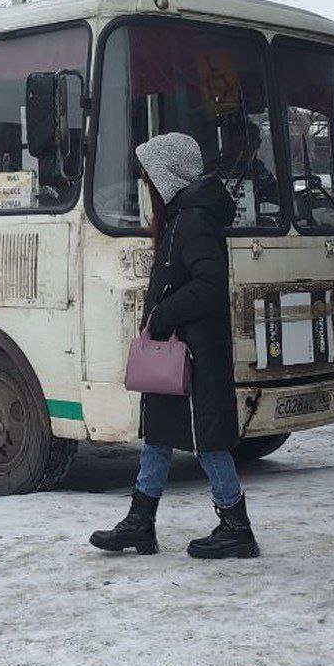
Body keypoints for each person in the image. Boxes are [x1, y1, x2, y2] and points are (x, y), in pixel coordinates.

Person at [90, 132, 260, 559]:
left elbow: (209, 285)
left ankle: (236, 526)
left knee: (209, 440)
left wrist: (163, 315)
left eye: (149, 176)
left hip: (195, 353)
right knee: (160, 434)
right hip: (182, 349)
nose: (145, 185)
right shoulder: (185, 217)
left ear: (165, 176)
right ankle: (140, 522)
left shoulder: (195, 220)